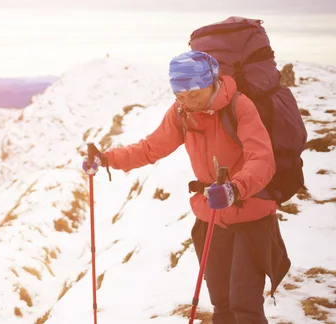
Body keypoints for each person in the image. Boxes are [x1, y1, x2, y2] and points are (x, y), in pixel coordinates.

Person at [82, 50, 291, 324]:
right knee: (221, 303)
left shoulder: (239, 107)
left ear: (211, 82)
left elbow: (262, 160)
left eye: (194, 94)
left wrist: (235, 189)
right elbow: (150, 148)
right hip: (211, 216)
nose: (188, 101)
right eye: (180, 96)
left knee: (245, 304)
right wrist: (107, 158)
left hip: (250, 212)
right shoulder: (182, 113)